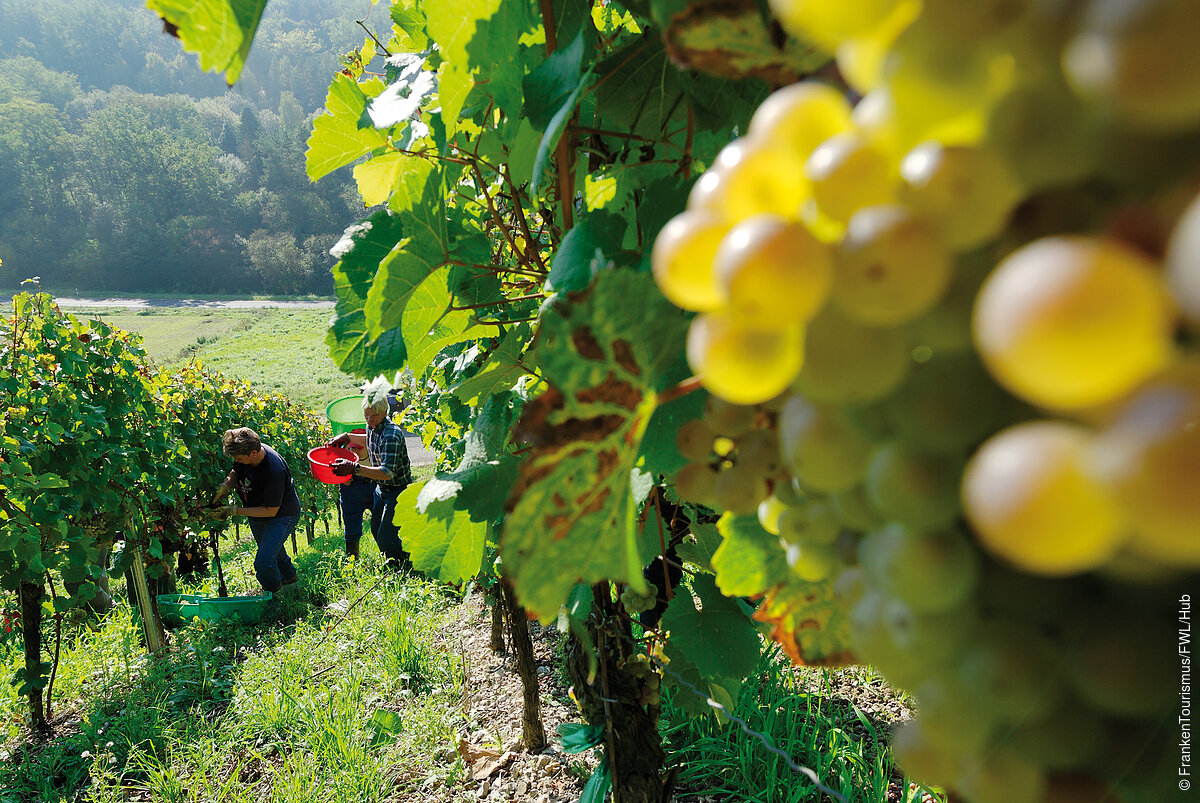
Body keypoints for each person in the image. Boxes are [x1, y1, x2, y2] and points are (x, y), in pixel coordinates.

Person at [207, 427, 301, 593]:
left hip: (282, 515)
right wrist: (226, 485)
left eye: (240, 458)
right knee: (275, 553)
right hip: (257, 512)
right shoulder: (245, 452)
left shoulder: (273, 470)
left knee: (264, 562)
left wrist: (234, 510)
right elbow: (237, 470)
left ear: (253, 454)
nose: (237, 460)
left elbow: (271, 511)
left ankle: (273, 594)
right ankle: (292, 585)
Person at [326, 395, 413, 569]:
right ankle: (394, 562)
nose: (369, 419)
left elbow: (387, 473)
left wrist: (354, 468)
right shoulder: (373, 426)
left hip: (396, 490)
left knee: (386, 536)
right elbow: (370, 439)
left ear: (385, 412)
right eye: (366, 415)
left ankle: (404, 567)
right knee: (375, 529)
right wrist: (347, 437)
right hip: (381, 489)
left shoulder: (392, 435)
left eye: (373, 416)